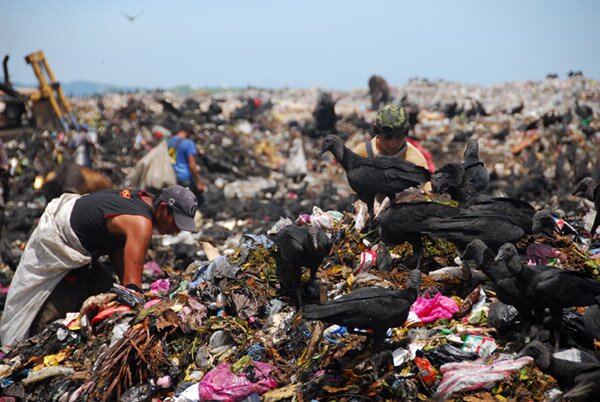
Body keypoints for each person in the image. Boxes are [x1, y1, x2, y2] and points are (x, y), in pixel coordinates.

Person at [0, 185, 198, 347]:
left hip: (85, 252)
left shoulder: (143, 199)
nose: (176, 230)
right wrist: (136, 301)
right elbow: (132, 289)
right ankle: (24, 348)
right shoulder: (141, 224)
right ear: (163, 208)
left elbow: (117, 249)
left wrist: (127, 291)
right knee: (45, 324)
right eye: (176, 222)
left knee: (105, 290)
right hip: (60, 243)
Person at [353, 104, 433, 192]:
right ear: (376, 132)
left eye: (399, 137)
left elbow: (427, 196)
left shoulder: (414, 162)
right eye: (387, 137)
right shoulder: (362, 153)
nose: (393, 144)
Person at [167, 121, 206, 205]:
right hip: (184, 177)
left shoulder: (169, 141)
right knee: (197, 201)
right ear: (189, 132)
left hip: (170, 175)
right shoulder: (188, 143)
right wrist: (198, 181)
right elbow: (192, 164)